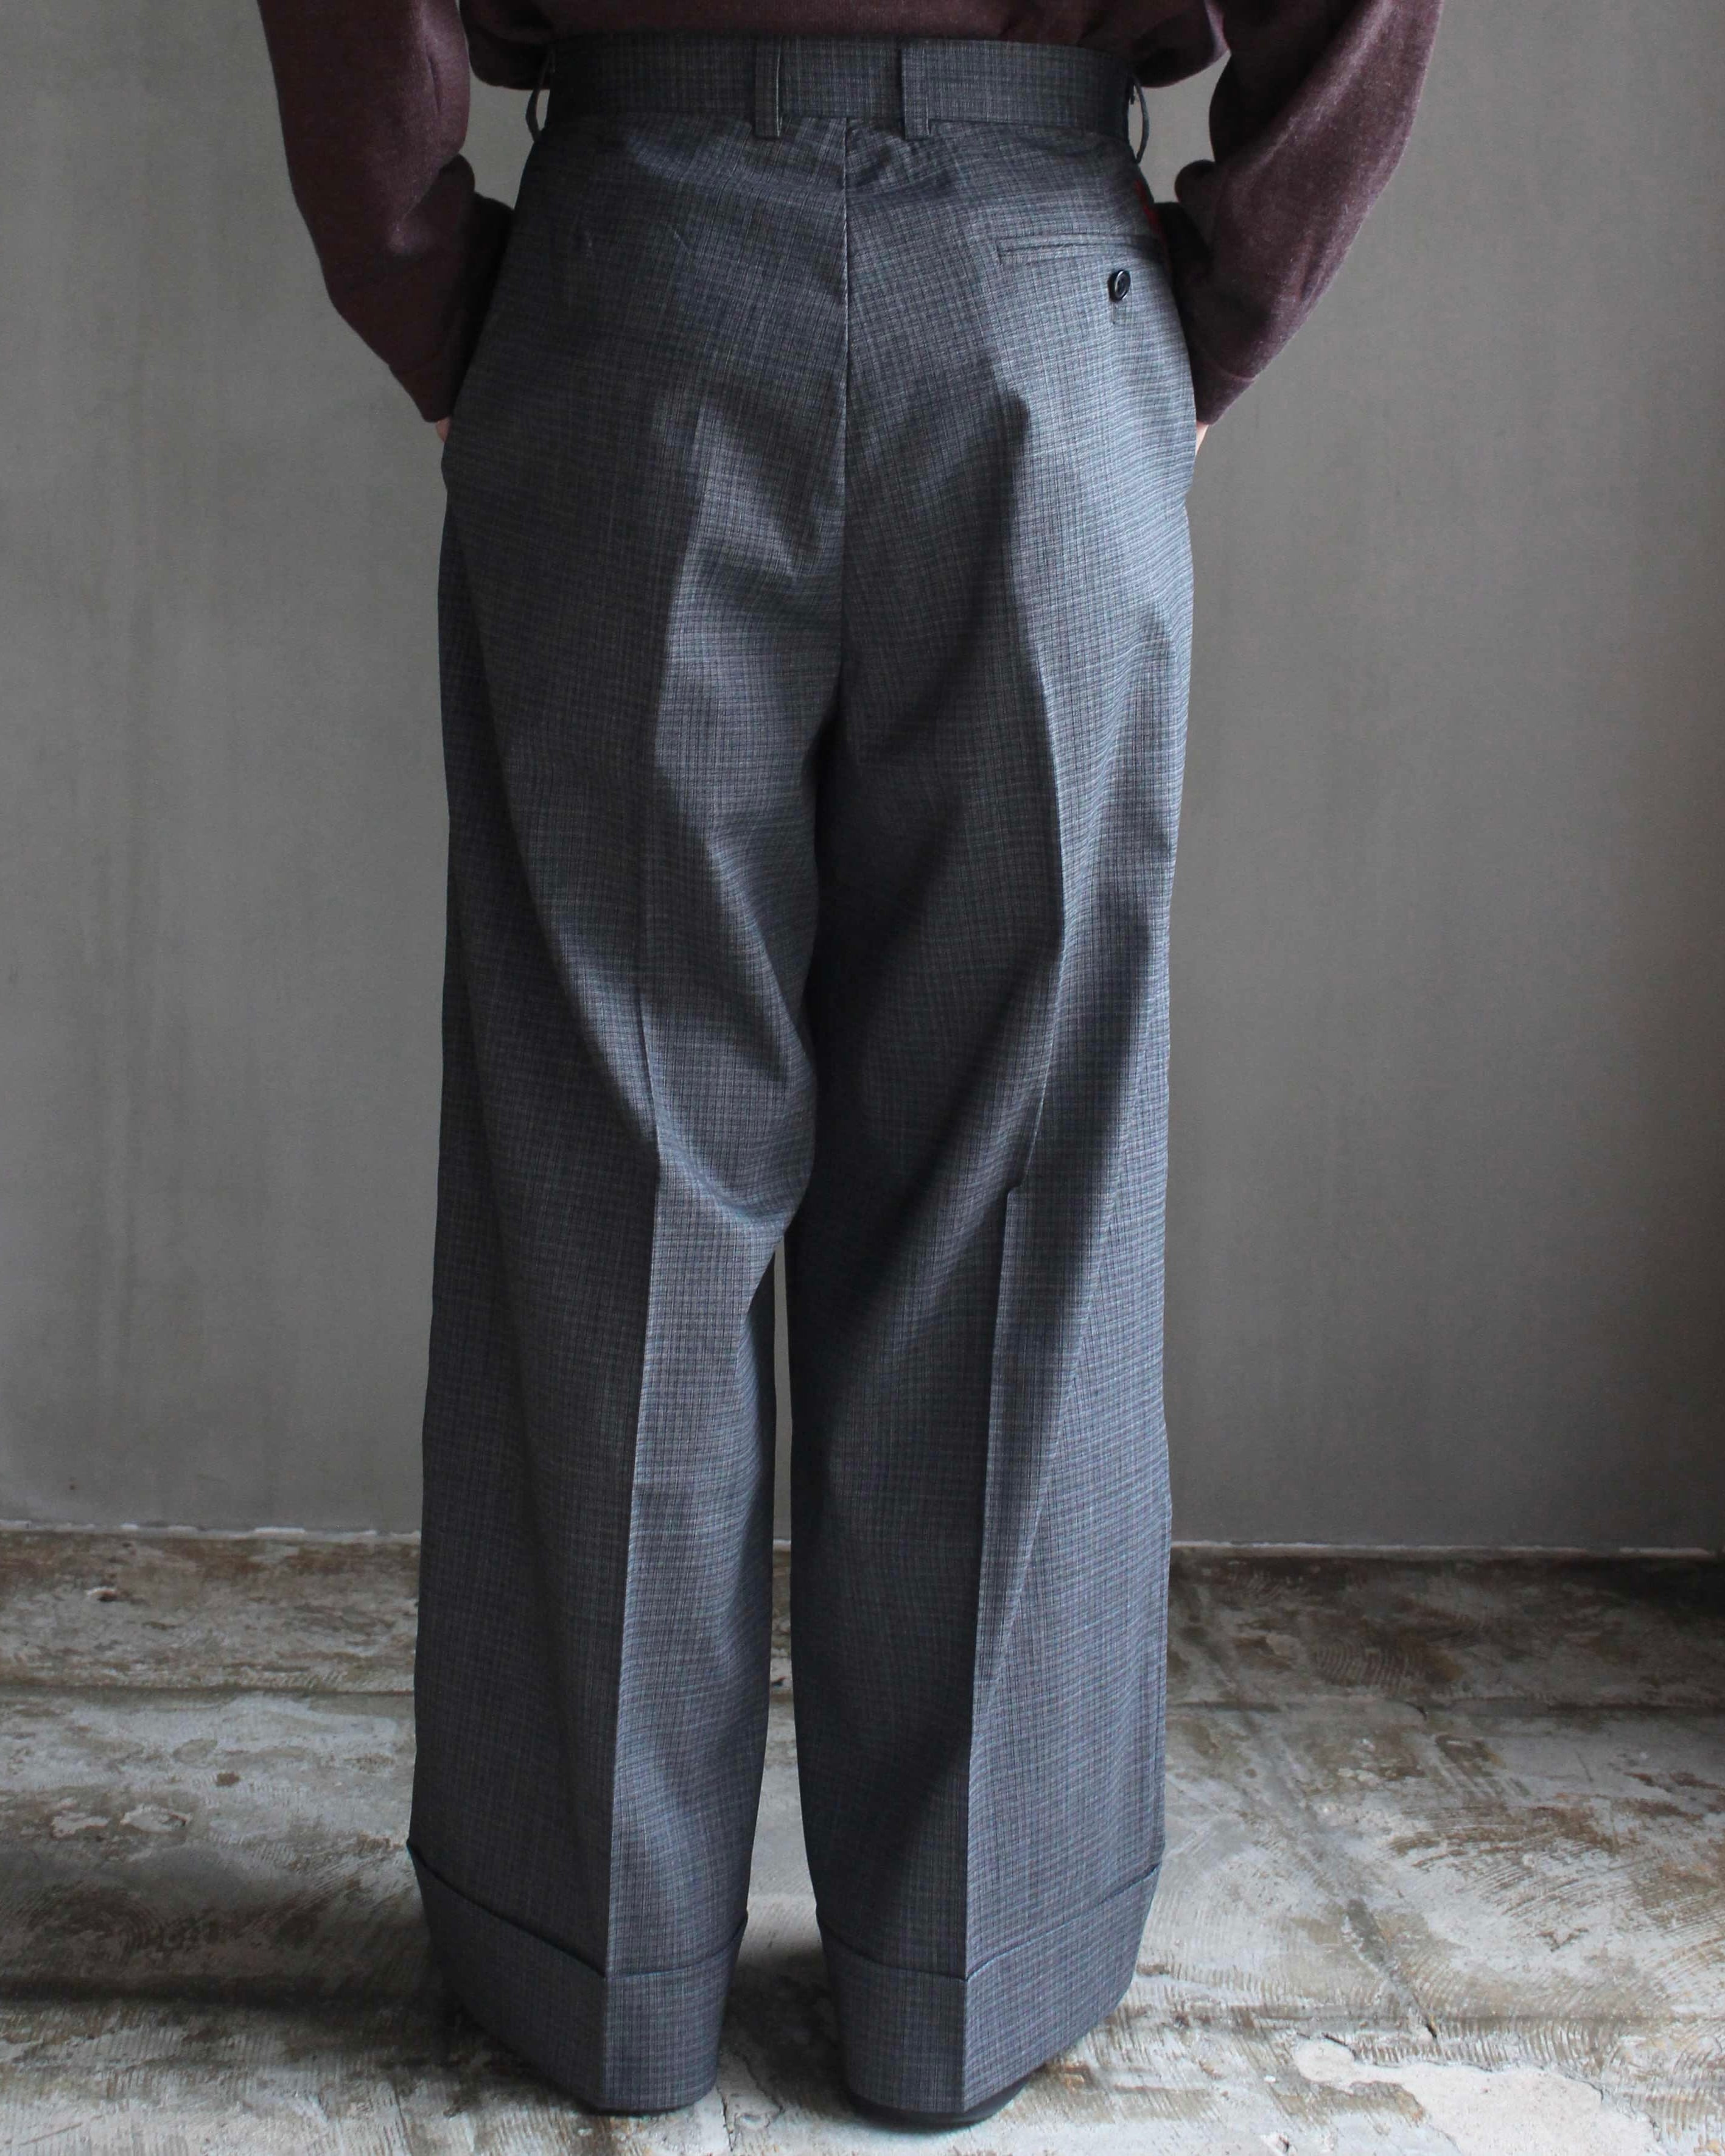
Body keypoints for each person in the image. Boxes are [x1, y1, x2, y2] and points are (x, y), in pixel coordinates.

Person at [255, 1, 1441, 2132]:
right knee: (1017, 1171)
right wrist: (1222, 298)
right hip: (1037, 291)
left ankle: (595, 1972)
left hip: (637, 288)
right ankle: (964, 1980)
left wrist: (422, 278)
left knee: (605, 1164)